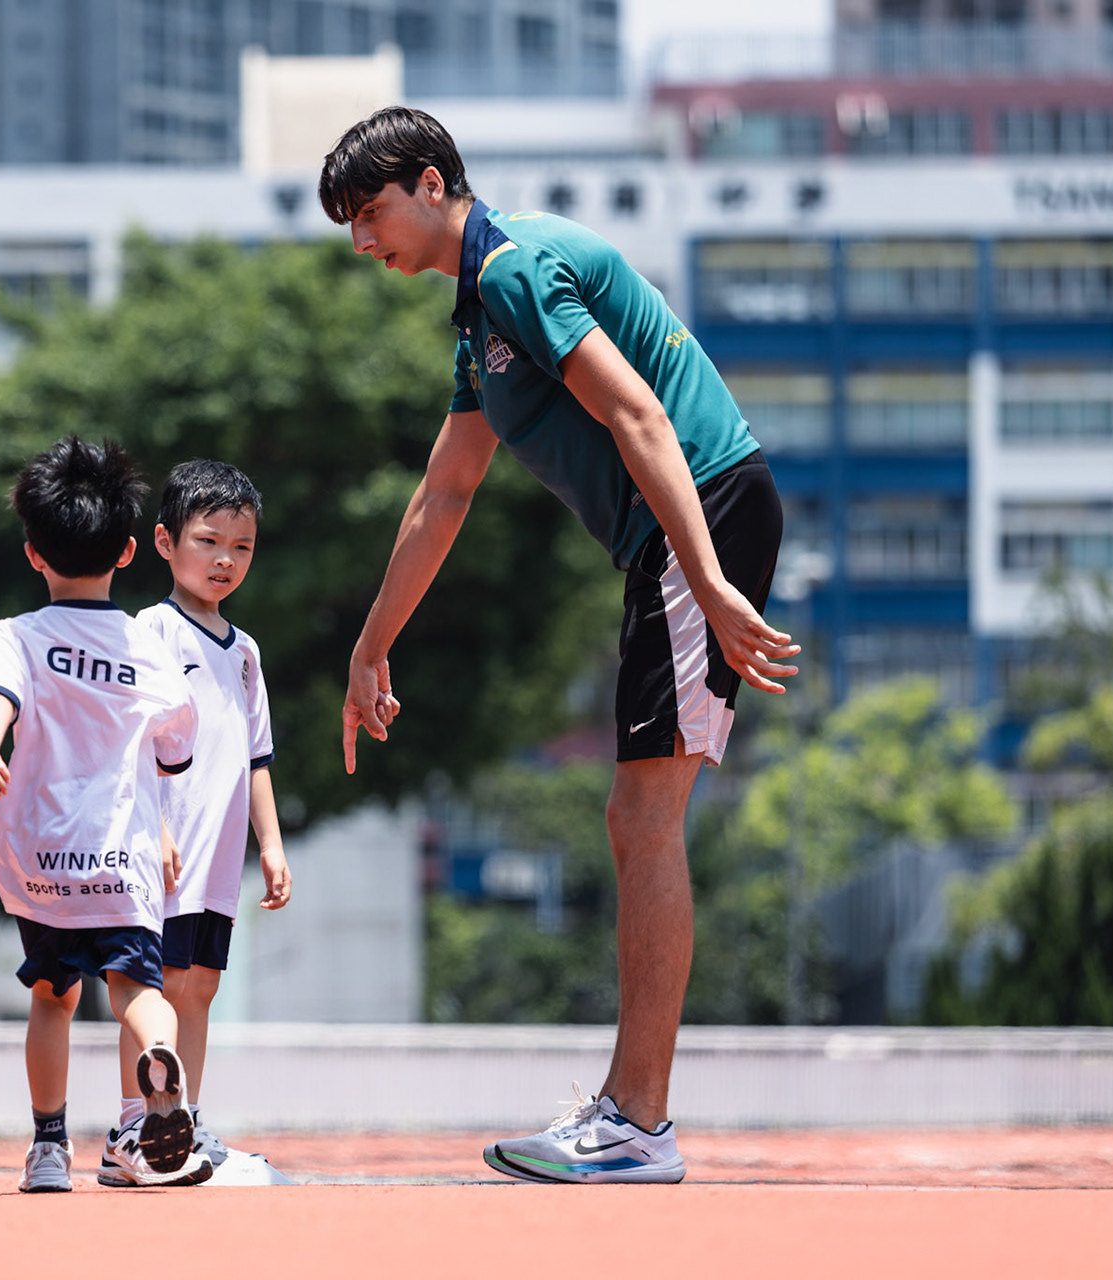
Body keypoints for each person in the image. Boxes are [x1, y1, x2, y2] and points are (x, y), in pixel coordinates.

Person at [319, 107, 799, 1185]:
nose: (362, 241)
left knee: (643, 814)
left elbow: (638, 416)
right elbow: (444, 492)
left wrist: (709, 578)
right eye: (349, 225)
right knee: (637, 814)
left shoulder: (515, 272)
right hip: (681, 536)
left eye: (371, 212)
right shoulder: (481, 319)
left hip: (702, 515)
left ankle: (638, 1119)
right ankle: (634, 1114)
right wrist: (369, 647)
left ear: (433, 183)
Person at [0, 435, 213, 1192]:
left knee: (52, 997)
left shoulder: (19, 636)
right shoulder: (145, 646)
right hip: (122, 860)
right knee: (138, 992)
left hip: (41, 860)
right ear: (131, 550)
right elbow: (176, 743)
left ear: (33, 552)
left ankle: (47, 1149)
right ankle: (156, 1094)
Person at [105, 459, 290, 1181]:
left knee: (200, 986)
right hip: (162, 852)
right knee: (156, 983)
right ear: (163, 542)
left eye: (241, 547)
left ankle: (185, 1130)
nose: (224, 560)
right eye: (209, 541)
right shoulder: (148, 633)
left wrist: (270, 846)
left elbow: (257, 758)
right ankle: (132, 1129)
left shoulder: (245, 655)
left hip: (218, 860)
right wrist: (153, 829)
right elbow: (129, 749)